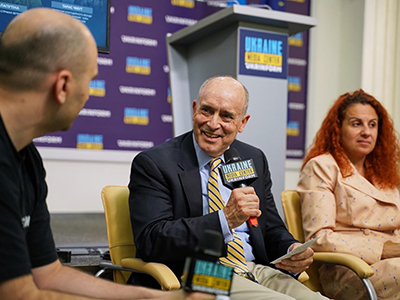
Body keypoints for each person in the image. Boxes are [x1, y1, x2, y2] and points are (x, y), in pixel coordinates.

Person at [0, 8, 214, 300]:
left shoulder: (27, 158)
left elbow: (48, 274)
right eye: (89, 80)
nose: (89, 94)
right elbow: (19, 295)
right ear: (63, 86)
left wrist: (155, 297)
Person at [129, 76, 329, 300]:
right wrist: (225, 220)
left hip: (255, 269)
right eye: (207, 111)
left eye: (226, 116)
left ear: (243, 122)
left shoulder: (253, 158)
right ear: (195, 109)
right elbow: (151, 239)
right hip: (199, 272)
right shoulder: (155, 163)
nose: (213, 124)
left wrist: (290, 249)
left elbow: (270, 228)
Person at [297, 89, 400, 300]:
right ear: (338, 129)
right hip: (350, 269)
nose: (366, 132)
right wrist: (384, 249)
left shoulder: (384, 172)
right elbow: (319, 239)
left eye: (373, 125)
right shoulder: (322, 167)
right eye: (356, 124)